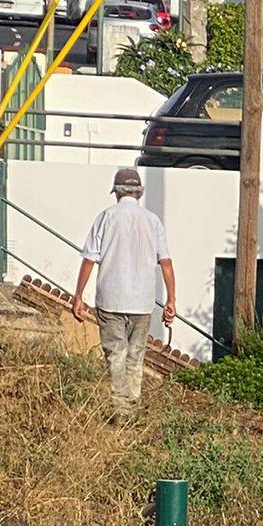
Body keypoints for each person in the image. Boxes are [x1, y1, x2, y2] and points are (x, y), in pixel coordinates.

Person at [71, 167, 176, 422]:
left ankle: (121, 412)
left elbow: (89, 260)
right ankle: (132, 411)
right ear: (138, 192)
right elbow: (166, 263)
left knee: (116, 355)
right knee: (135, 357)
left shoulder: (105, 217)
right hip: (142, 302)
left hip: (110, 299)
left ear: (117, 193)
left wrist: (78, 296)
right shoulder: (152, 221)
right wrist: (171, 300)